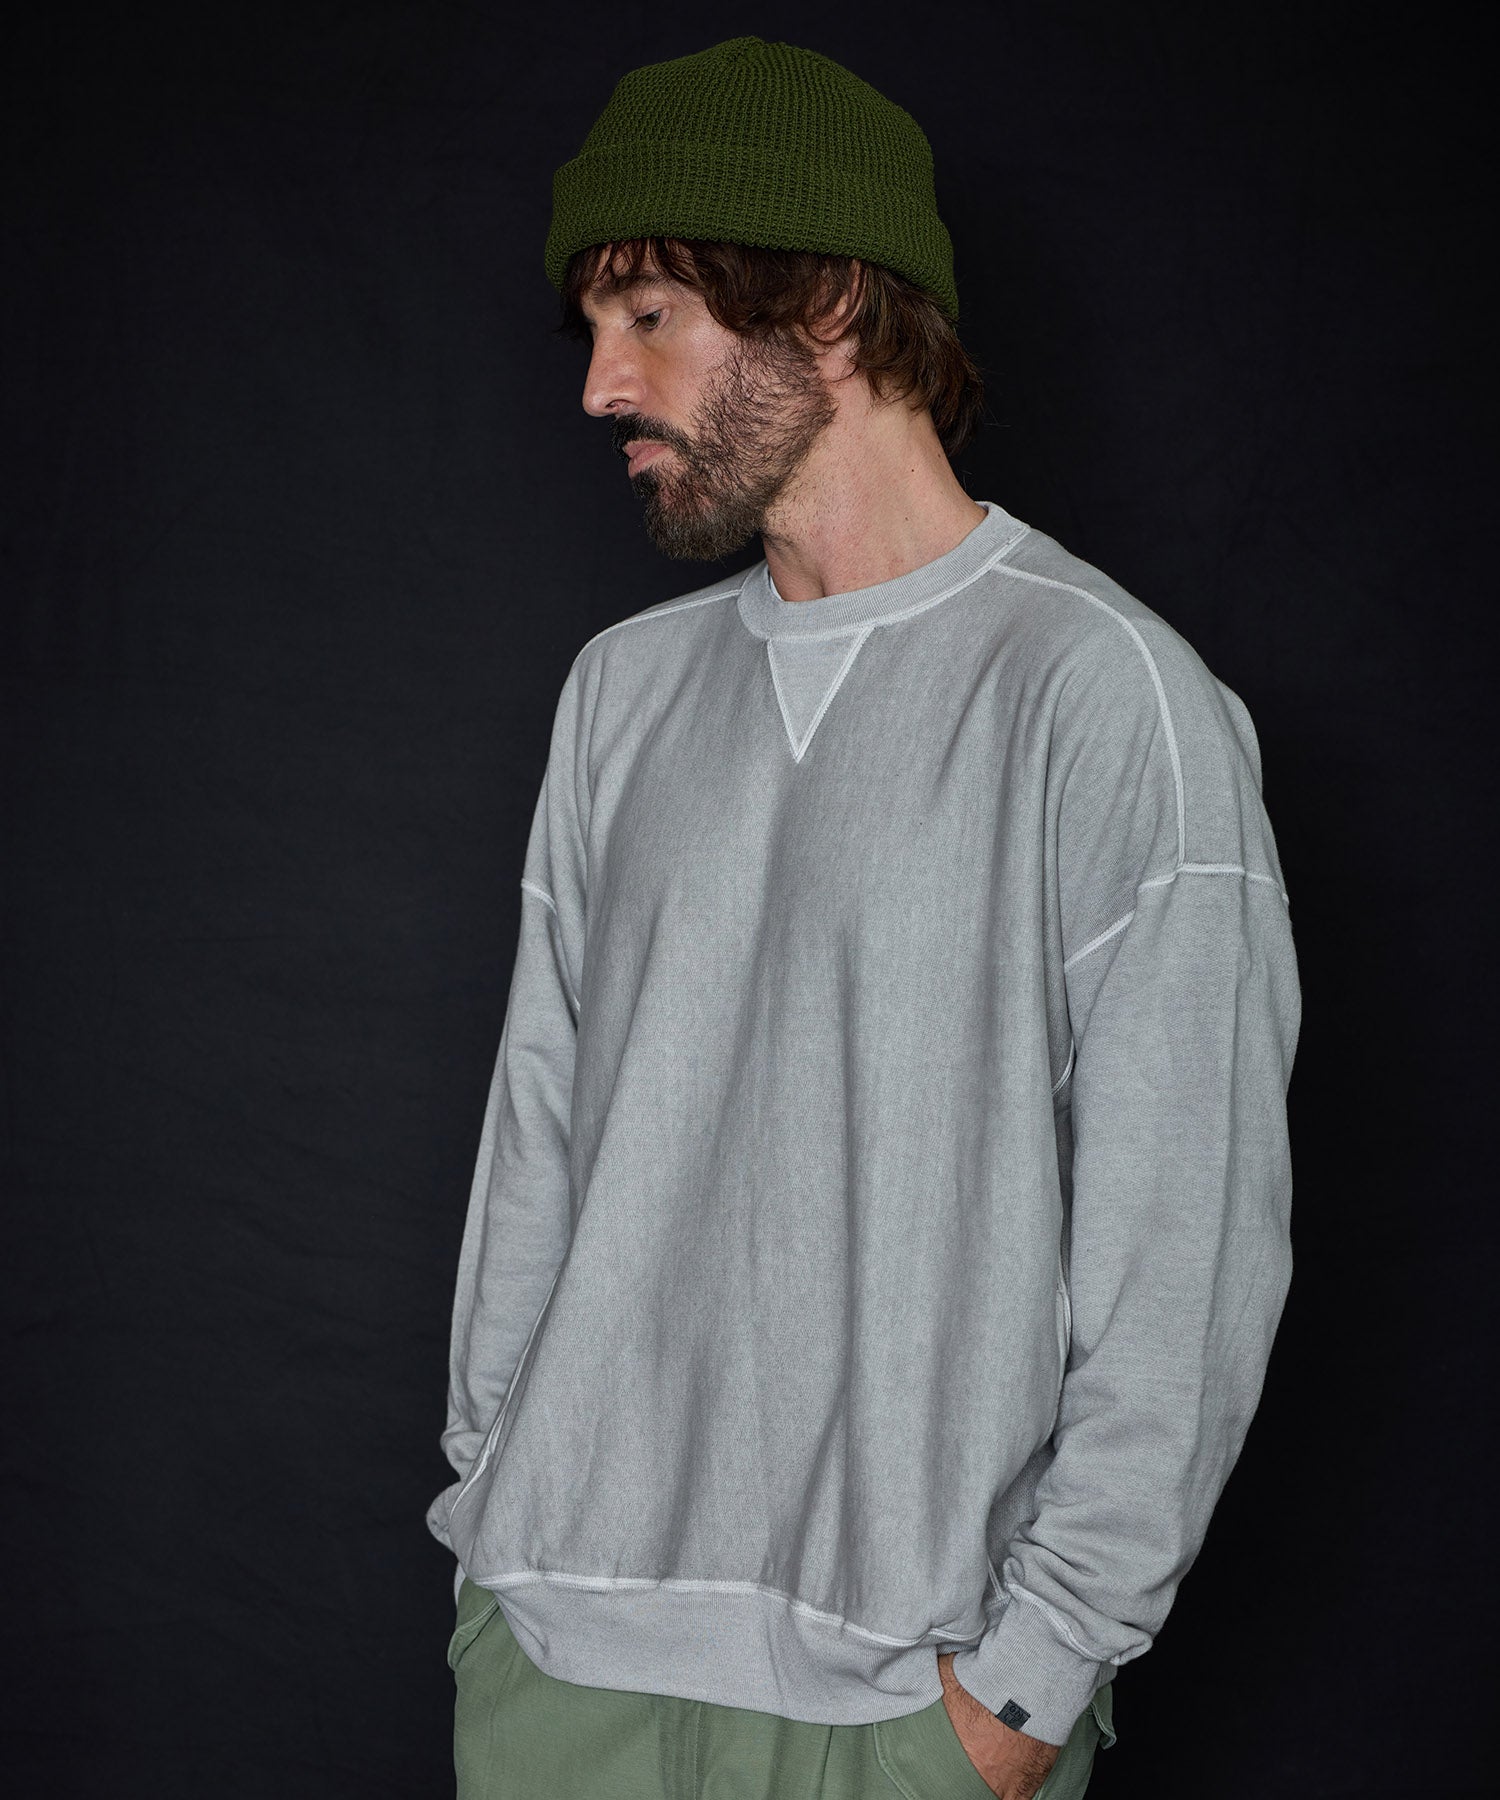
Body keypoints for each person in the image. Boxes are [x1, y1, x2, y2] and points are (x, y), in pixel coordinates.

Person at [428, 35, 1301, 1800]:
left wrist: (1030, 1683)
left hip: (906, 1708)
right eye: (591, 328)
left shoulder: (1105, 696)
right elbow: (538, 1130)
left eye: (650, 314)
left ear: (830, 308)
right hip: (556, 1670)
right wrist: (491, 1520)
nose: (599, 386)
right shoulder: (619, 694)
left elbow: (1188, 1255)